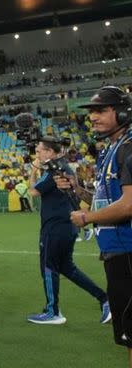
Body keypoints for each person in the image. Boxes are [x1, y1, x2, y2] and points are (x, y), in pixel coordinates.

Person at [57, 86, 132, 366]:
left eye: (101, 110)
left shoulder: (128, 148)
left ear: (123, 111)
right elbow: (106, 201)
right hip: (118, 254)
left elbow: (128, 205)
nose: (93, 117)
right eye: (92, 112)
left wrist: (86, 218)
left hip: (128, 253)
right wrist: (78, 190)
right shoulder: (111, 149)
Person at [26, 137, 109, 325]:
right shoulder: (60, 167)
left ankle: (52, 311)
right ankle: (104, 298)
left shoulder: (56, 169)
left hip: (55, 227)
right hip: (67, 225)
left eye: (39, 151)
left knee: (48, 266)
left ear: (49, 152)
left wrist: (33, 169)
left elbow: (32, 191)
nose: (36, 154)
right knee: (67, 268)